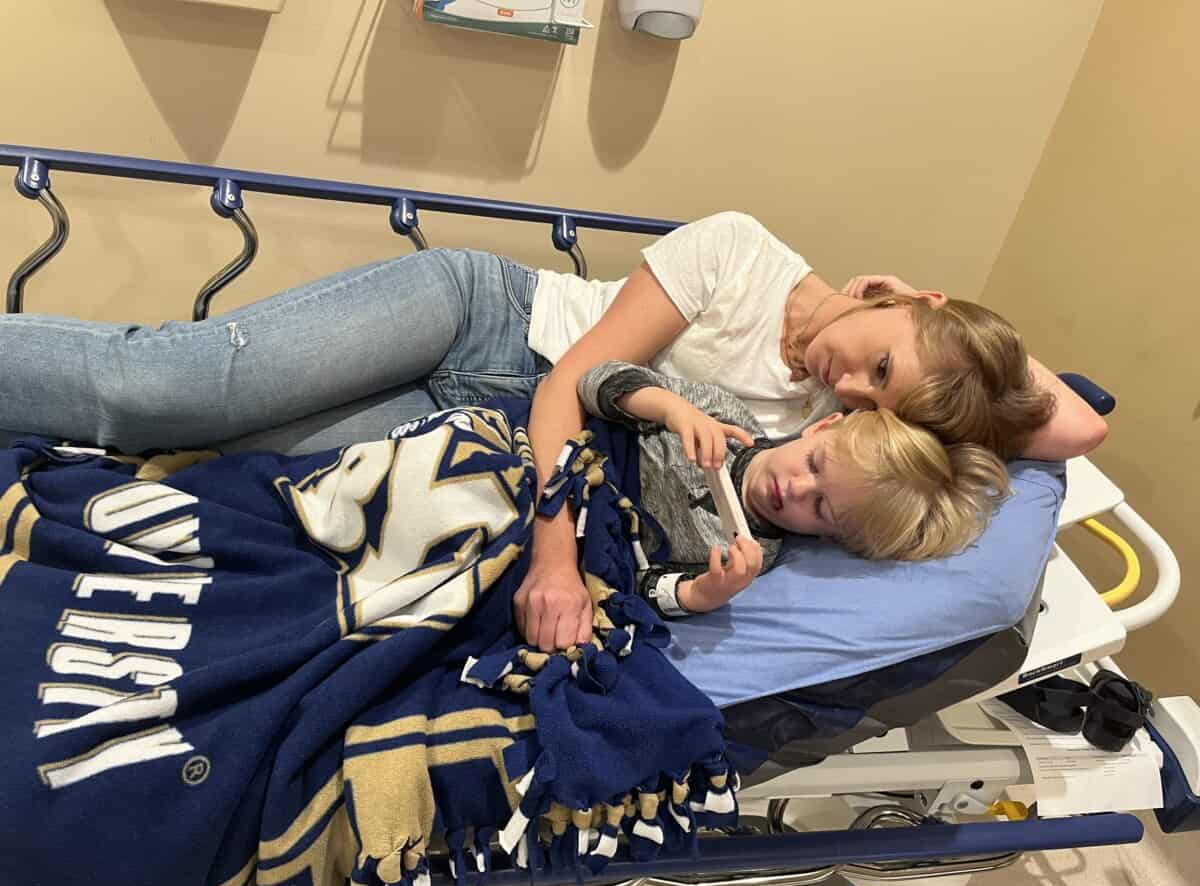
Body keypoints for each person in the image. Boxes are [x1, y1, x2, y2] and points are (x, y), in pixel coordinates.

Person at [0, 211, 1107, 647]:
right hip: (482, 325)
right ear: (898, 298)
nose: (852, 388)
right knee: (161, 391)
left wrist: (928, 329)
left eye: (878, 397)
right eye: (873, 361)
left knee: (235, 472)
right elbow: (572, 382)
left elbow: (1074, 425)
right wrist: (557, 552)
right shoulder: (741, 251)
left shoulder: (830, 434)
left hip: (465, 430)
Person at [569, 360, 1009, 624]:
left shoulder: (750, 556)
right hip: (564, 453)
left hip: (583, 540)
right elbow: (594, 380)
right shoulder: (724, 413)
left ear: (827, 538)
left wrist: (699, 595)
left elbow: (633, 586)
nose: (795, 488)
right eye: (814, 463)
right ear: (822, 427)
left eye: (820, 507)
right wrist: (670, 409)